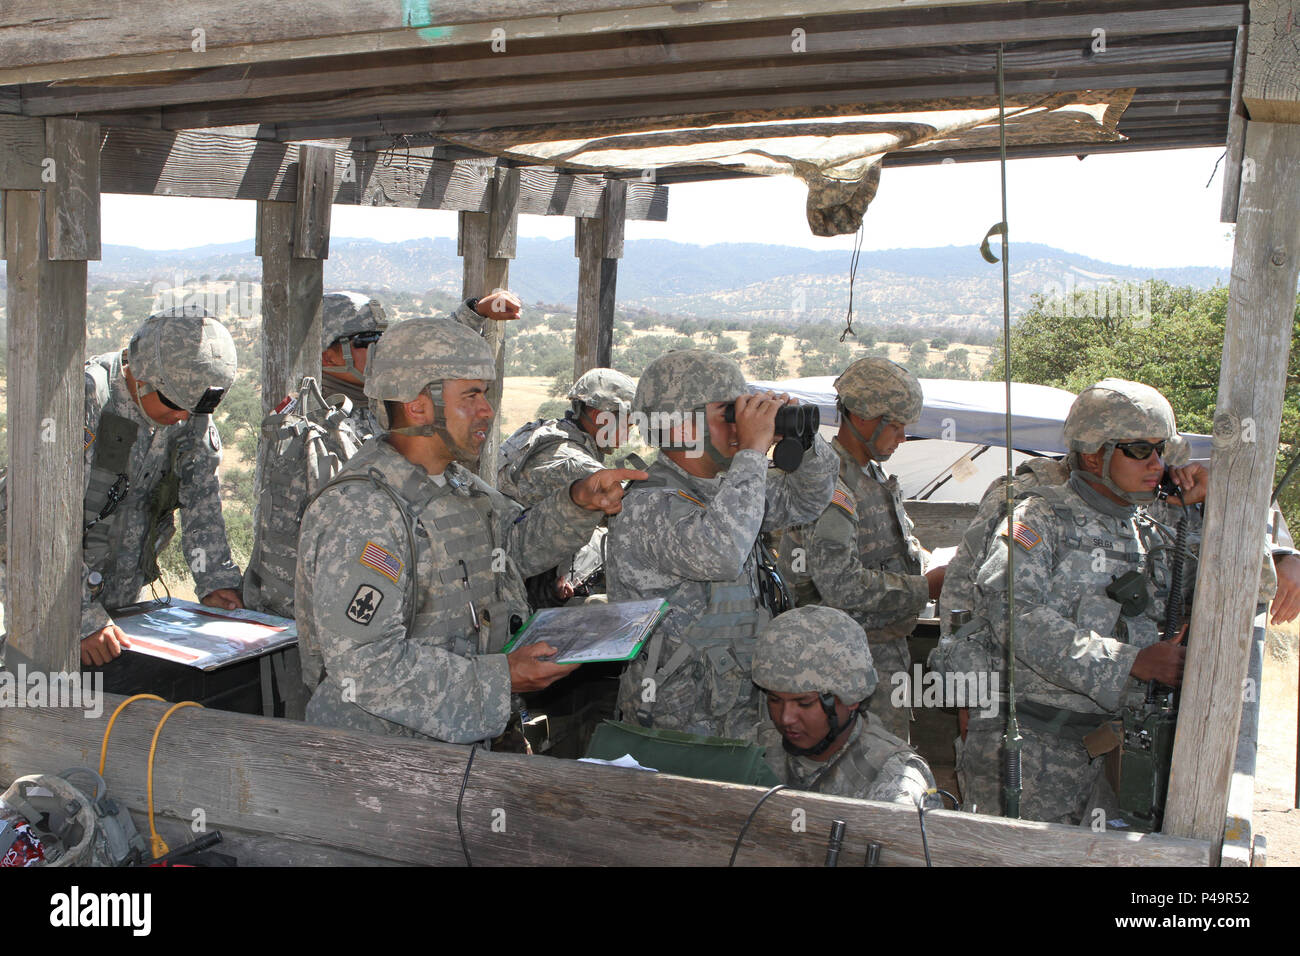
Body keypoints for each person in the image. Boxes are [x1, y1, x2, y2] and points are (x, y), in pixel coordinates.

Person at [294, 316, 643, 743]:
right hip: (382, 762)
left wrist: (577, 503)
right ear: (418, 405)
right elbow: (366, 665)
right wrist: (503, 678)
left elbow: (509, 550)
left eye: (486, 394)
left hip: (461, 749)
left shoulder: (456, 482)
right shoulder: (364, 509)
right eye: (472, 395)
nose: (487, 410)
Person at [961, 378, 1197, 824]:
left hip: (1114, 753)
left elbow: (1248, 587)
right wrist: (1128, 662)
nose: (1157, 463)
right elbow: (1013, 614)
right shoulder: (1039, 517)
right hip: (1032, 752)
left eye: (1161, 450)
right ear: (1095, 454)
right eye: (1139, 450)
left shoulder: (1151, 525)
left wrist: (1216, 509)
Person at [605, 349, 836, 740]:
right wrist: (751, 452)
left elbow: (808, 499)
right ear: (681, 426)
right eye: (729, 413)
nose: (740, 424)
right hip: (675, 730)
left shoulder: (725, 490)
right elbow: (722, 554)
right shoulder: (647, 504)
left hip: (740, 713)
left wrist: (804, 439)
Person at [0, 306, 244, 667]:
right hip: (45, 611)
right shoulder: (82, 400)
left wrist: (215, 582)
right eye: (174, 404)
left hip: (120, 612)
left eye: (192, 409)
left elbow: (202, 504)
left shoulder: (188, 412)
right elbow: (26, 524)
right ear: (140, 375)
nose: (181, 417)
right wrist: (80, 617)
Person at [776, 357, 942, 742]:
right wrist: (925, 588)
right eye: (896, 426)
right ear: (864, 418)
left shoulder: (869, 473)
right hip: (840, 666)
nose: (902, 438)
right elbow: (841, 585)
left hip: (878, 653)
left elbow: (887, 547)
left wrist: (927, 562)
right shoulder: (829, 481)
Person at [752, 605, 939, 805]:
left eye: (804, 703)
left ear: (851, 698)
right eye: (775, 700)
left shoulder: (891, 781)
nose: (785, 718)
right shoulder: (756, 749)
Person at [497, 366, 636, 603]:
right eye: (627, 423)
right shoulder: (572, 461)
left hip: (511, 560)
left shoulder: (548, 432)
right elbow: (630, 509)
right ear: (596, 416)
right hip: (513, 580)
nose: (628, 433)